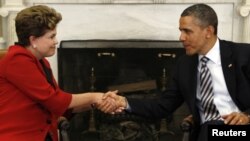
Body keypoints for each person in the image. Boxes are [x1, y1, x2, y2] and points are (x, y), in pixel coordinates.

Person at [99, 3, 250, 141]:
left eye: (187, 31)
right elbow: (162, 106)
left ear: (208, 31)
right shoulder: (184, 65)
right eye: (180, 31)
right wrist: (124, 102)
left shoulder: (243, 55)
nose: (181, 37)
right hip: (207, 132)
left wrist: (246, 117)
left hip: (241, 130)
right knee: (210, 128)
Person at [0, 5, 116, 141]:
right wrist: (95, 96)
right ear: (33, 40)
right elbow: (55, 100)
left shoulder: (41, 62)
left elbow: (58, 106)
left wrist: (97, 103)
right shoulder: (16, 61)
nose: (56, 41)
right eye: (51, 36)